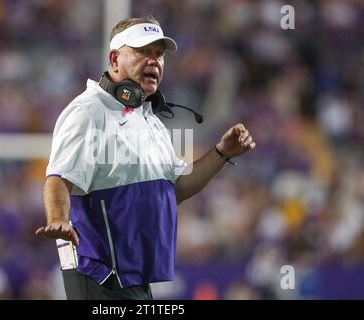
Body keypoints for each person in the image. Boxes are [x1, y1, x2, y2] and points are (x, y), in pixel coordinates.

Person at [35, 15, 256, 300]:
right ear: (114, 59)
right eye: (143, 52)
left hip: (134, 276)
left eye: (159, 54)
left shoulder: (149, 119)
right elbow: (58, 178)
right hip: (99, 271)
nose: (154, 61)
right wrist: (58, 219)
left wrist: (222, 153)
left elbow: (175, 188)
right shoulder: (88, 112)